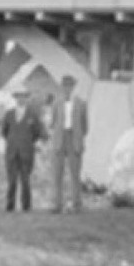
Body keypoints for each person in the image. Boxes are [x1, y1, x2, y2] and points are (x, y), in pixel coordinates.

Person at [1, 86, 46, 212]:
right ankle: (10, 206)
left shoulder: (32, 115)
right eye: (19, 96)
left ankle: (26, 207)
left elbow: (37, 133)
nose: (21, 99)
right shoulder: (9, 114)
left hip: (27, 153)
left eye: (24, 96)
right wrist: (13, 141)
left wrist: (27, 142)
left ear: (27, 98)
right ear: (15, 98)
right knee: (12, 180)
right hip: (11, 152)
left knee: (25, 180)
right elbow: (4, 132)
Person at [49, 75, 89, 213]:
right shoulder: (56, 103)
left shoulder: (81, 103)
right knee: (57, 174)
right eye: (65, 86)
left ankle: (76, 204)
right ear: (62, 87)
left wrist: (78, 138)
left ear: (73, 87)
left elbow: (85, 126)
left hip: (74, 138)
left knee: (75, 174)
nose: (67, 88)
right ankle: (57, 204)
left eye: (70, 85)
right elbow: (53, 123)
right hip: (60, 139)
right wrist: (57, 137)